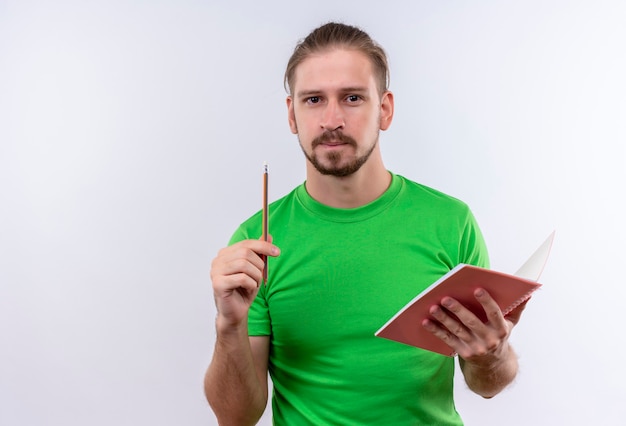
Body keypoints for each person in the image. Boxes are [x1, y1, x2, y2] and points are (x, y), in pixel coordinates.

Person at [204, 22, 526, 425]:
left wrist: (493, 354)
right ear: (292, 114)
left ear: (385, 109)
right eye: (314, 100)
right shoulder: (257, 242)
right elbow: (237, 417)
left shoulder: (451, 222)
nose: (332, 119)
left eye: (352, 97)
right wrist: (229, 324)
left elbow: (488, 384)